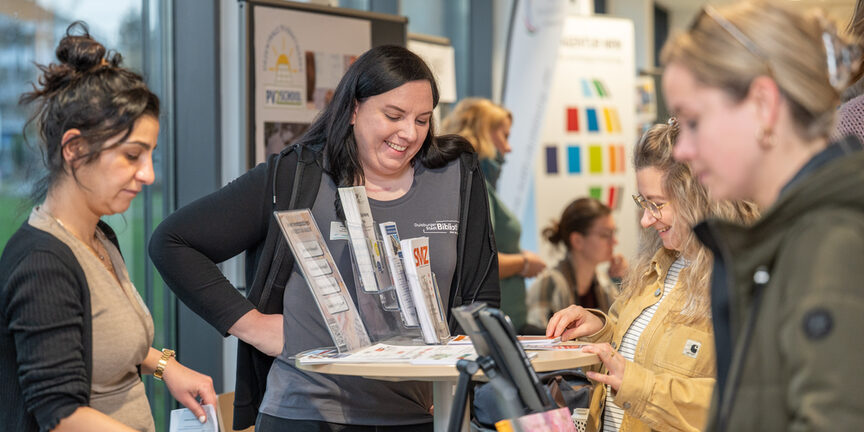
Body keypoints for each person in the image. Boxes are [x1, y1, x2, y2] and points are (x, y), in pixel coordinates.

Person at [149, 45, 499, 431]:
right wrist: (254, 326)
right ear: (352, 110)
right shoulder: (299, 175)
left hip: (420, 415)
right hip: (305, 411)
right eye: (393, 116)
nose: (409, 133)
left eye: (422, 119)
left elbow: (481, 298)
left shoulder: (455, 175)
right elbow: (173, 241)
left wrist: (464, 393)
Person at [0, 22, 216, 432]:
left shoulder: (99, 235)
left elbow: (107, 340)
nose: (149, 174)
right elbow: (62, 415)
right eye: (132, 155)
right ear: (75, 149)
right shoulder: (42, 265)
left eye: (150, 155)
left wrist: (166, 366)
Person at [663, 2, 864, 430]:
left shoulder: (831, 244)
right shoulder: (796, 238)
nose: (681, 150)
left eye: (693, 121)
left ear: (763, 105)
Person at [546, 120, 756, 432]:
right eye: (643, 203)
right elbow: (634, 346)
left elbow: (743, 402)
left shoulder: (741, 281)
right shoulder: (658, 267)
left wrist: (640, 387)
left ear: (699, 198)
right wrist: (599, 329)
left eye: (656, 205)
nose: (646, 220)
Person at [442, 98, 545, 333]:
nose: (508, 148)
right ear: (484, 133)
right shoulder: (474, 186)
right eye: (505, 136)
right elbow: (480, 261)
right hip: (496, 327)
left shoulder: (473, 184)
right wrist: (524, 263)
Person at [526, 198, 626, 328]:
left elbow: (621, 330)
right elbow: (537, 341)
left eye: (614, 233)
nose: (614, 241)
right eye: (605, 235)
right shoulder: (548, 283)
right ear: (577, 241)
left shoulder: (604, 283)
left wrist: (627, 281)